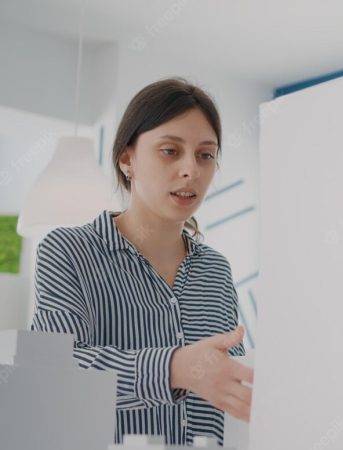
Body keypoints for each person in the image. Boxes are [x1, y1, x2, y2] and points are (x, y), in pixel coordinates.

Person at [31, 78, 253, 446]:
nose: (191, 171)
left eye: (205, 154)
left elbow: (232, 382)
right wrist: (175, 368)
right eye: (170, 150)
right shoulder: (67, 251)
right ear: (127, 158)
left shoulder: (216, 270)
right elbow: (55, 373)